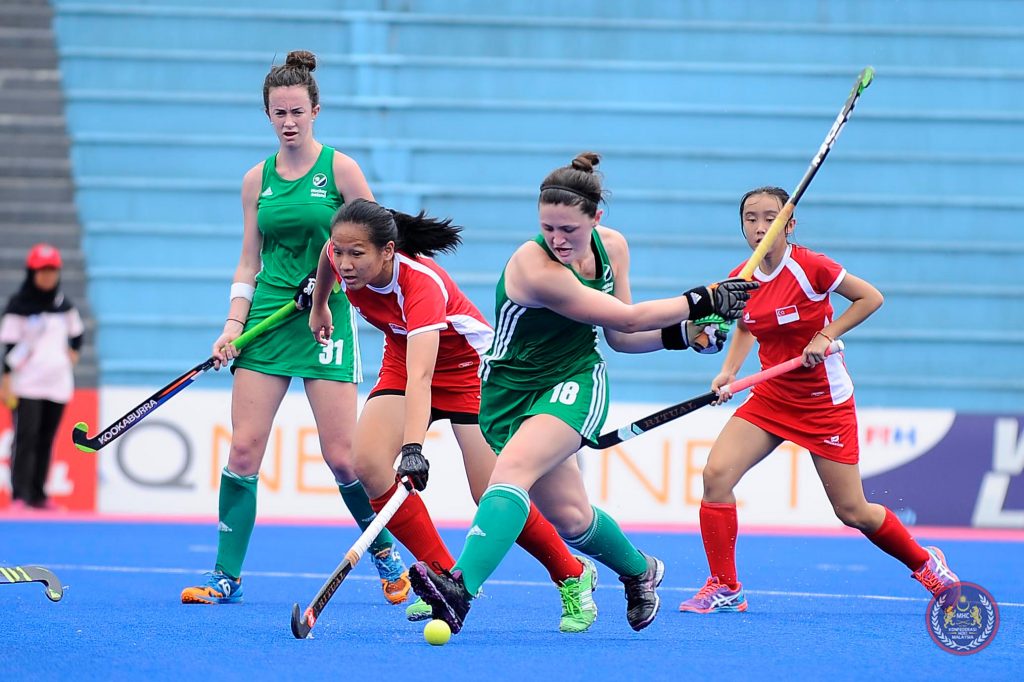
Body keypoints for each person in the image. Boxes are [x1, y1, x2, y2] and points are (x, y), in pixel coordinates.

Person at [405, 153, 758, 634]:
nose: (557, 239)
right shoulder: (533, 266)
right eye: (547, 227)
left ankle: (460, 589)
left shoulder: (612, 249)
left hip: (575, 379)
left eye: (568, 229)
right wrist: (702, 300)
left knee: (509, 474)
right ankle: (640, 571)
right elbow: (629, 321)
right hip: (509, 394)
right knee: (571, 518)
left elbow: (622, 339)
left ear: (596, 218)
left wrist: (687, 333)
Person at [309, 198, 601, 633]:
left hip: (469, 371)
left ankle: (572, 574)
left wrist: (413, 448)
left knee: (492, 494)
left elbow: (424, 376)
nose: (346, 263)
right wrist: (320, 305)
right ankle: (445, 579)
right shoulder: (340, 256)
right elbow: (326, 260)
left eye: (357, 254)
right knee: (367, 464)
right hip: (402, 358)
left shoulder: (420, 284)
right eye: (341, 251)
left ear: (387, 251)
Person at [180, 50, 408, 606]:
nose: (288, 122)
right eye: (278, 112)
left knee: (344, 457)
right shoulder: (255, 179)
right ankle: (225, 576)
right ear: (268, 114)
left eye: (297, 112)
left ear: (315, 110)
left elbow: (380, 247)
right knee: (243, 451)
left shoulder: (341, 170)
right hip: (267, 321)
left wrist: (334, 283)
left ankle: (384, 553)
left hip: (326, 323)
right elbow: (247, 261)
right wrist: (232, 324)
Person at [677, 186, 960, 614]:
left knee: (852, 511)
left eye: (770, 218)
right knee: (716, 475)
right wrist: (729, 372)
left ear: (789, 225)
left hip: (823, 402)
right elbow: (747, 327)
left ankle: (926, 563)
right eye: (750, 218)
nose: (759, 226)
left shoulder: (812, 267)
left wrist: (826, 334)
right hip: (772, 397)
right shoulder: (742, 278)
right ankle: (726, 585)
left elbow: (871, 297)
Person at [1, 244, 83, 511]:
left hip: (58, 384)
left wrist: (73, 352)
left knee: (47, 438)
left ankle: (38, 494)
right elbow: (9, 349)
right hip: (27, 385)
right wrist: (6, 384)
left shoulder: (63, 304)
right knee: (26, 438)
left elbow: (77, 333)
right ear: (32, 273)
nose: (48, 277)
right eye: (42, 271)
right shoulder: (18, 305)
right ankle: (20, 495)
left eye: (52, 271)